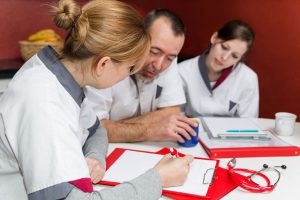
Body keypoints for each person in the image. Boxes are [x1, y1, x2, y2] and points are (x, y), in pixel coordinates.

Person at [0, 0, 193, 200]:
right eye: (129, 68)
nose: (128, 75)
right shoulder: (44, 103)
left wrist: (94, 156)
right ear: (103, 64)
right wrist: (158, 179)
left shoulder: (63, 77)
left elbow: (96, 129)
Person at [85, 8, 197, 143]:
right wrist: (150, 129)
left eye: (170, 58)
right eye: (154, 52)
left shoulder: (166, 60)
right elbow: (95, 129)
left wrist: (119, 127)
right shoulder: (107, 62)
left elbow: (172, 110)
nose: (159, 65)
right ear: (139, 37)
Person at [179, 20, 259, 118]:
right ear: (214, 38)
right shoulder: (182, 71)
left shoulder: (248, 78)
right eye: (224, 47)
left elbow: (248, 123)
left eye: (234, 56)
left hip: (230, 132)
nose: (224, 58)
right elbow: (175, 116)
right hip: (192, 131)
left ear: (240, 58)